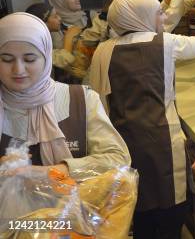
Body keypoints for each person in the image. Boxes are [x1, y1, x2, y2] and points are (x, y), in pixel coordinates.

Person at [89, 0, 195, 238]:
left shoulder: (103, 50)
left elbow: (99, 99)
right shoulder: (165, 43)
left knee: (137, 207)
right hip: (164, 141)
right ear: (142, 17)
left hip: (123, 141)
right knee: (171, 208)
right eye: (159, 12)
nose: (163, 17)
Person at [0, 13, 130, 175]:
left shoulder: (81, 100)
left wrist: (58, 171)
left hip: (74, 200)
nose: (18, 70)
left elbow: (117, 158)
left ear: (47, 58)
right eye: (6, 59)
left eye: (29, 59)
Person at [25, 3, 75, 73]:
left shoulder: (45, 39)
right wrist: (69, 37)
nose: (59, 18)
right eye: (55, 16)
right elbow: (66, 59)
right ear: (43, 23)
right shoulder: (36, 47)